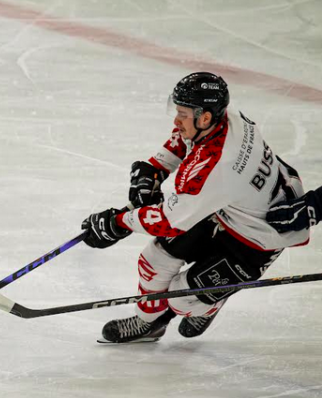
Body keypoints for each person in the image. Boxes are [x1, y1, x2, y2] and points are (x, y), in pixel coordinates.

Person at [80, 72, 309, 344]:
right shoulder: (223, 116)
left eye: (183, 114)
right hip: (232, 206)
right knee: (154, 262)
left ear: (205, 117)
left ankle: (209, 303)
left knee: (182, 299)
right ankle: (147, 324)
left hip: (260, 236)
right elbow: (186, 138)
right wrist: (156, 167)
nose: (176, 121)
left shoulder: (221, 168)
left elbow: (169, 220)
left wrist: (118, 223)